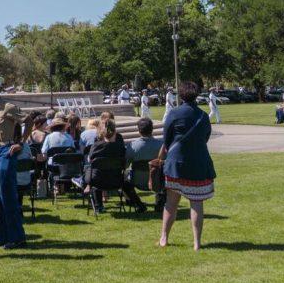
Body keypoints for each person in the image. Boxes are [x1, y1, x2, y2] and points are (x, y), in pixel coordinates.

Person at [156, 81, 216, 250]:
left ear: (180, 95)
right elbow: (205, 137)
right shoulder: (203, 116)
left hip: (177, 163)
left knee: (171, 203)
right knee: (196, 202)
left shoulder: (174, 114)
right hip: (198, 162)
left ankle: (164, 238)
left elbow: (166, 140)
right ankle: (197, 243)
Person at [0, 75, 34, 251]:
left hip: (6, 151)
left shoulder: (9, 107)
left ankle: (17, 237)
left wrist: (20, 143)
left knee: (8, 196)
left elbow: (29, 121)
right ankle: (2, 235)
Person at [85, 116, 145, 213]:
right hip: (116, 180)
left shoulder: (96, 146)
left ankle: (98, 206)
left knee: (91, 173)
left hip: (98, 180)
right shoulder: (121, 147)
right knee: (125, 182)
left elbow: (90, 160)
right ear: (115, 131)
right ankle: (138, 204)